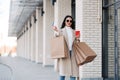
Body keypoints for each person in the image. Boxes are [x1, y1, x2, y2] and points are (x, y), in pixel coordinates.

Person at [52, 15, 80, 80]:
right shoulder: (61, 30)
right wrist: (56, 31)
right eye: (67, 20)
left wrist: (78, 38)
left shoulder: (74, 31)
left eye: (71, 21)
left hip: (73, 53)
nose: (69, 22)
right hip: (64, 53)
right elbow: (57, 36)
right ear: (65, 22)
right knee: (62, 74)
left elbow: (76, 43)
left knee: (73, 73)